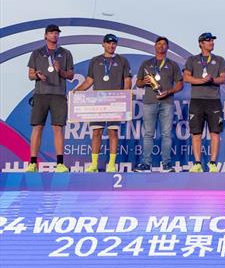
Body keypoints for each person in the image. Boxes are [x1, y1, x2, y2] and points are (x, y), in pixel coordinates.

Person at [73, 33, 131, 173]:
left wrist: (124, 97)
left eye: (114, 43)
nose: (111, 46)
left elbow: (127, 81)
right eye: (109, 43)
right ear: (103, 44)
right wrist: (76, 91)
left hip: (115, 103)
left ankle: (111, 164)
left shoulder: (122, 60)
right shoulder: (95, 60)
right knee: (97, 132)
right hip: (98, 103)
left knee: (113, 132)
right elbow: (89, 81)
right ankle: (93, 164)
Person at [25, 24, 74, 173]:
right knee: (37, 127)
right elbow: (30, 75)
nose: (55, 35)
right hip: (41, 94)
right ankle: (33, 163)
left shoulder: (65, 53)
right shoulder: (37, 53)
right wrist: (37, 76)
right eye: (52, 33)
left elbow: (70, 75)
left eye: (57, 33)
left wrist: (61, 71)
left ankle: (60, 164)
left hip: (58, 95)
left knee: (58, 128)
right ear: (45, 35)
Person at [134, 36, 183, 172]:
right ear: (155, 47)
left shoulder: (173, 65)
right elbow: (138, 83)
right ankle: (146, 164)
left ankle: (166, 164)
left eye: (164, 44)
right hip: (149, 102)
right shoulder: (146, 63)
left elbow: (180, 84)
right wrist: (145, 82)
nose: (161, 46)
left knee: (166, 134)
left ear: (167, 47)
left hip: (167, 102)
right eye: (159, 44)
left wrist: (169, 91)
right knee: (148, 134)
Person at [183, 32, 225, 173]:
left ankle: (213, 163)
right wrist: (202, 81)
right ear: (201, 43)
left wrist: (212, 80)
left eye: (212, 41)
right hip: (197, 101)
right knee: (196, 133)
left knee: (215, 132)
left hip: (213, 101)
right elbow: (186, 77)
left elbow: (223, 79)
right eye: (208, 41)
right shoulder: (192, 59)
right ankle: (197, 163)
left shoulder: (219, 60)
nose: (211, 43)